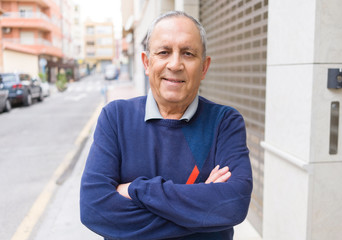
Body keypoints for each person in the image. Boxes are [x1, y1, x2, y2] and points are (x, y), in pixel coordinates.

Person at [80, 11, 252, 240]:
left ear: (204, 68)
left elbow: (232, 205)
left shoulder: (225, 122)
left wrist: (135, 190)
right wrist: (203, 210)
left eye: (188, 53)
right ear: (146, 62)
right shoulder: (115, 117)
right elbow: (94, 210)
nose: (175, 64)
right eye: (163, 52)